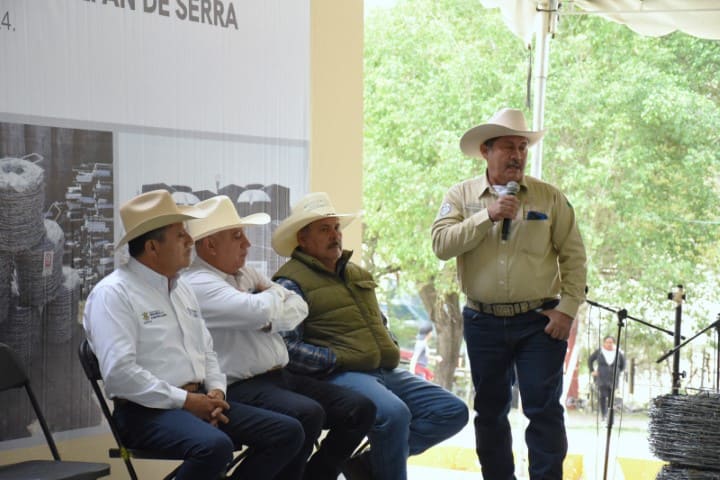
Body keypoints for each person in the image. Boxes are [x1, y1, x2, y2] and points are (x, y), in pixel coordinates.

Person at [82, 189, 304, 480]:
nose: (190, 241)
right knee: (214, 447)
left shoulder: (181, 288)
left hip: (199, 401)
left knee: (288, 433)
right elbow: (121, 375)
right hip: (143, 412)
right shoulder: (113, 294)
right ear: (152, 247)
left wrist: (215, 392)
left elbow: (207, 352)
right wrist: (186, 402)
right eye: (180, 235)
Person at [431, 108, 587, 480]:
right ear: (485, 150)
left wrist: (566, 310)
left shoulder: (549, 198)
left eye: (522, 147)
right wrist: (488, 215)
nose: (517, 155)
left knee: (543, 409)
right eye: (507, 147)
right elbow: (440, 245)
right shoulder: (461, 195)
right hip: (482, 321)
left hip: (539, 322)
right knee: (489, 410)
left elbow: (574, 256)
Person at [270, 191, 469, 480]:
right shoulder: (291, 281)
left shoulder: (356, 273)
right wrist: (334, 359)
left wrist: (389, 343)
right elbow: (286, 348)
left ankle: (369, 464)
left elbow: (379, 321)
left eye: (336, 227)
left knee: (452, 411)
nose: (335, 235)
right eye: (324, 229)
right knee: (394, 414)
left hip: (384, 370)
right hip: (340, 375)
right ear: (303, 239)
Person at [183, 195, 376, 480]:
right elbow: (257, 311)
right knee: (307, 414)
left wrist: (267, 310)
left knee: (359, 409)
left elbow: (298, 306)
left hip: (278, 377)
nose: (247, 244)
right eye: (237, 237)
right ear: (210, 245)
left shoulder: (243, 273)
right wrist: (271, 303)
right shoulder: (198, 283)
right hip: (237, 386)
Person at [588, 335, 626, 420]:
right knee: (602, 396)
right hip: (602, 377)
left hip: (613, 378)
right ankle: (603, 415)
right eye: (607, 342)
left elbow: (623, 364)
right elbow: (590, 360)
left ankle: (610, 416)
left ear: (614, 343)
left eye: (611, 342)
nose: (609, 344)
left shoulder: (618, 352)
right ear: (604, 343)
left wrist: (618, 372)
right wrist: (592, 371)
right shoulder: (600, 351)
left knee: (611, 397)